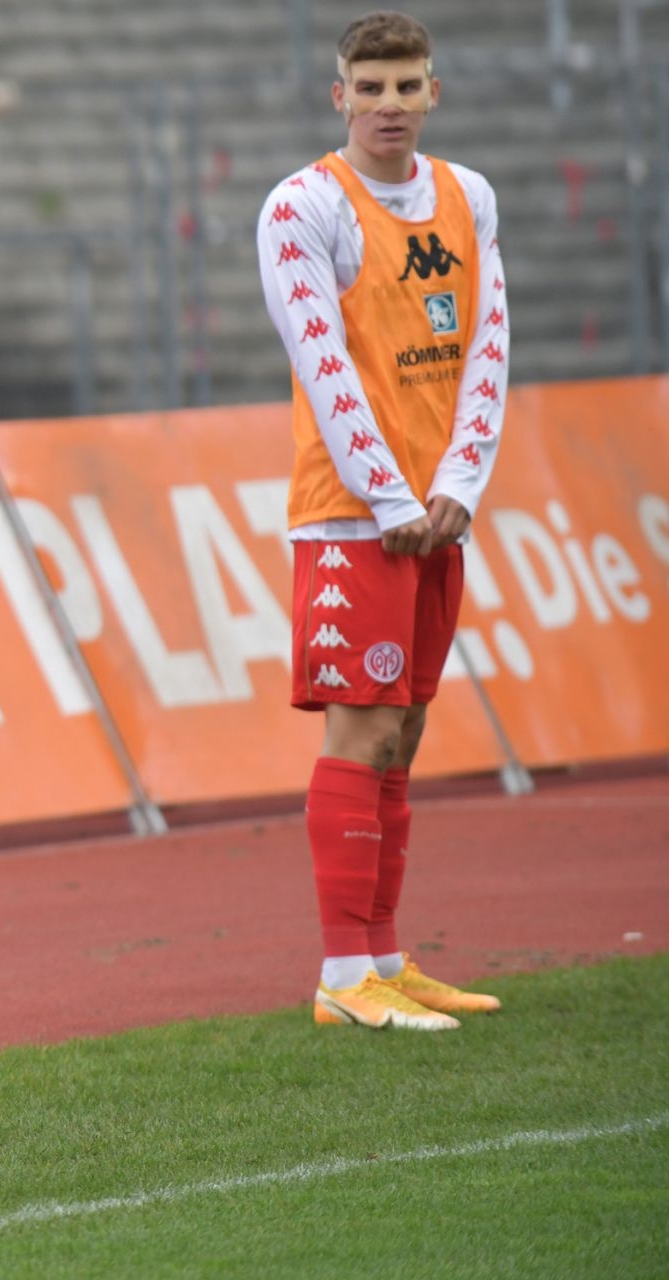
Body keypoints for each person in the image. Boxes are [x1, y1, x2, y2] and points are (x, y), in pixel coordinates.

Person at [256, 11, 507, 1032]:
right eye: (371, 88)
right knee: (360, 731)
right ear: (341, 97)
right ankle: (341, 974)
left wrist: (462, 484)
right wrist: (394, 497)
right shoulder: (303, 206)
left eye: (407, 87)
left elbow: (488, 342)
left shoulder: (469, 196)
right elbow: (325, 365)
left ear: (433, 92)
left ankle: (386, 960)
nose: (389, 105)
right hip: (352, 515)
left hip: (436, 513)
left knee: (402, 733)